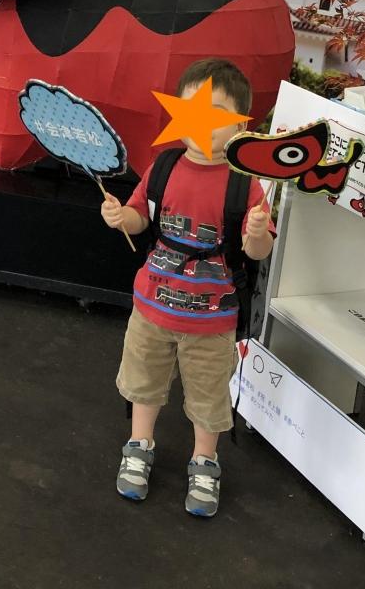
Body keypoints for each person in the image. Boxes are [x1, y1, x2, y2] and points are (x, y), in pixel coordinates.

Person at [101, 58, 275, 518]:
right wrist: (120, 217)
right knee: (143, 383)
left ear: (241, 126)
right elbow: (140, 218)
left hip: (214, 321)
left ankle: (205, 460)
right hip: (150, 309)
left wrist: (258, 232)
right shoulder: (163, 167)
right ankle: (139, 444)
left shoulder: (246, 184)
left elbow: (257, 252)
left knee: (209, 396)